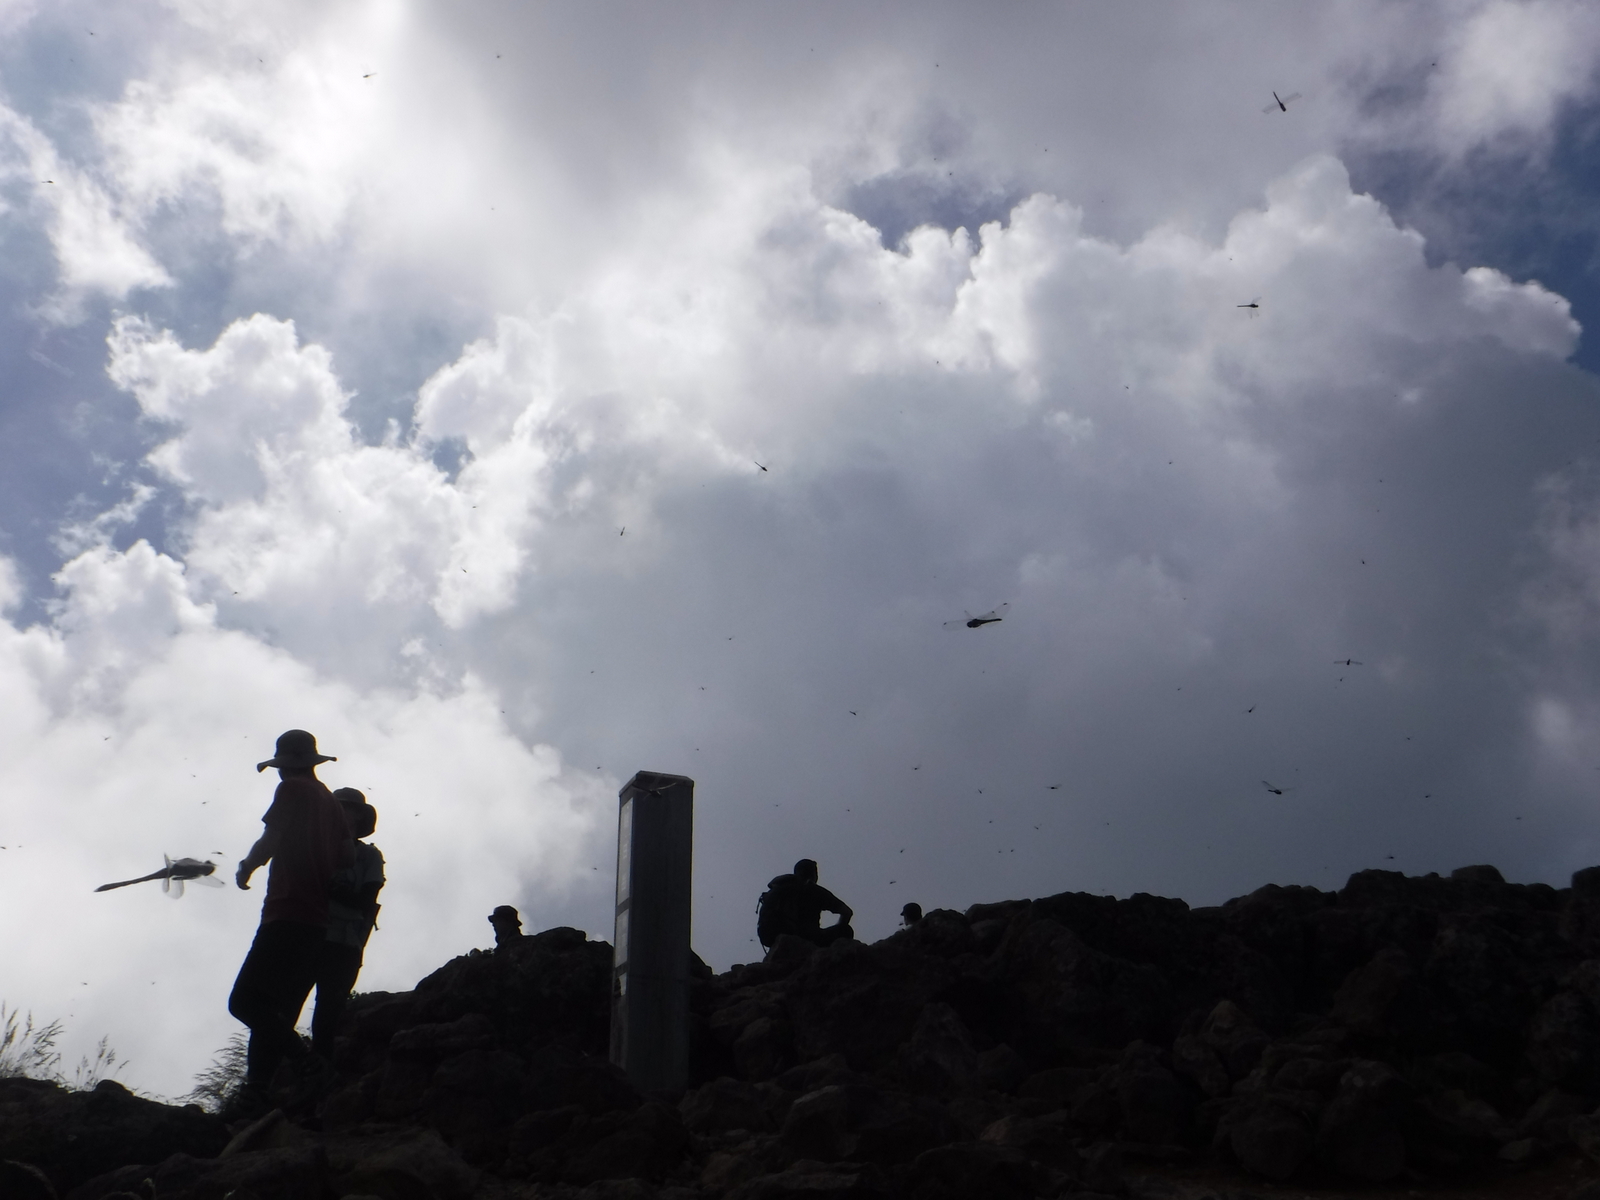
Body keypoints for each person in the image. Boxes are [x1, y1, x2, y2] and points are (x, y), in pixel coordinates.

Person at [228, 730, 354, 1097]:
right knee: (272, 1011)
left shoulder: (291, 790)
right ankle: (256, 1094)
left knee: (246, 1003)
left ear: (285, 766)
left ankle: (306, 1061)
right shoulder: (331, 802)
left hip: (285, 910)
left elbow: (272, 838)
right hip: (316, 921)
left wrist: (247, 866)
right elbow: (346, 857)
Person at [293, 788, 384, 1057]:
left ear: (358, 818)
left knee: (329, 1008)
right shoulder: (312, 848)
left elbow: (366, 899)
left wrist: (328, 889)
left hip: (345, 940)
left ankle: (318, 1064)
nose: (344, 816)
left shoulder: (368, 856)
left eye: (349, 810)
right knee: (290, 1002)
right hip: (310, 933)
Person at [756, 858, 854, 952]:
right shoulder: (812, 890)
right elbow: (847, 912)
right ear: (814, 874)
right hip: (805, 937)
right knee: (846, 930)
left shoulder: (777, 890)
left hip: (770, 938)